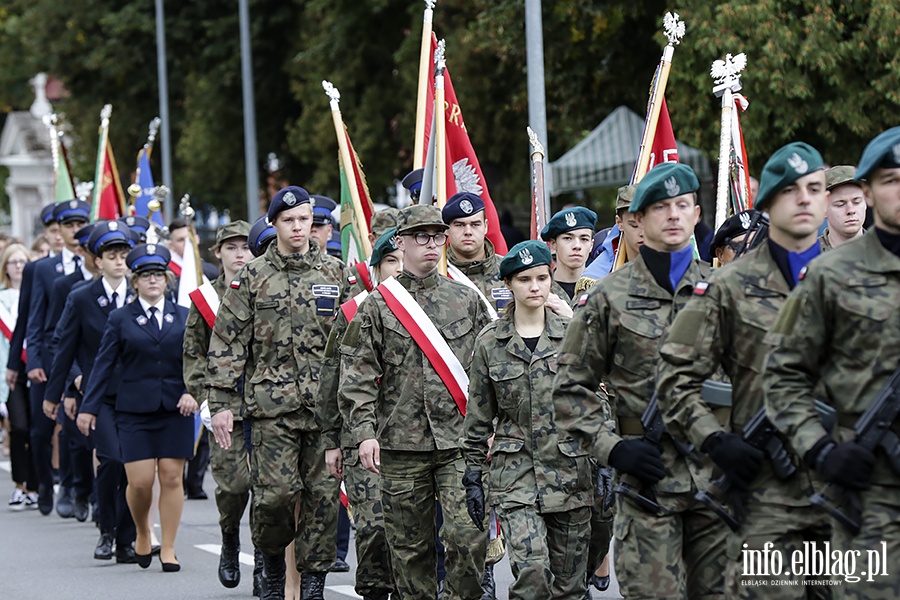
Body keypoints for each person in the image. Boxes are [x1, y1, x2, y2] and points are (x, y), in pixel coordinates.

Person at [657, 142, 831, 596]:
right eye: (792, 191)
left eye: (816, 188)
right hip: (766, 496)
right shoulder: (726, 288)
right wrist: (715, 440)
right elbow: (676, 380)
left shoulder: (861, 280)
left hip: (848, 488)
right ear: (770, 203)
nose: (806, 199)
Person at [552, 162, 725, 599]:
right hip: (648, 484)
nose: (672, 215)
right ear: (639, 221)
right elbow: (571, 389)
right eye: (660, 207)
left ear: (697, 214)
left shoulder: (725, 291)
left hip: (717, 484)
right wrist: (614, 448)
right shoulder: (608, 298)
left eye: (682, 205)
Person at [764, 127, 900, 600]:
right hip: (869, 489)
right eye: (889, 180)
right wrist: (820, 450)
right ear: (868, 191)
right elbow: (782, 376)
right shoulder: (827, 274)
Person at [339, 204, 491, 599]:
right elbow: (356, 377)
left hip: (460, 443)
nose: (430, 245)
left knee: (467, 537)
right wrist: (363, 434)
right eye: (420, 237)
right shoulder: (376, 306)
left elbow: (488, 368)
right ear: (400, 243)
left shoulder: (467, 299)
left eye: (437, 236)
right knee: (410, 550)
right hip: (400, 445)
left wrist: (493, 426)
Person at [207, 186, 351, 600]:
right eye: (289, 220)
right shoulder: (251, 277)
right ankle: (271, 565)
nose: (298, 227)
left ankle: (312, 585)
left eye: (304, 219)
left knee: (323, 502)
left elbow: (355, 342)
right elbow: (228, 341)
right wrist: (221, 404)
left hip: (325, 412)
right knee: (275, 498)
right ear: (274, 224)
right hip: (273, 410)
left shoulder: (335, 273)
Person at [460, 240, 593, 599]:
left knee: (570, 588)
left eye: (541, 278)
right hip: (516, 476)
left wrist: (606, 464)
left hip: (571, 474)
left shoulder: (573, 335)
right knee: (532, 574)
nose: (534, 287)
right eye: (524, 280)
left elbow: (597, 403)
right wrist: (473, 475)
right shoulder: (491, 342)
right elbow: (478, 417)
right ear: (508, 285)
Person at [80, 243, 196, 572]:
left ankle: (169, 547)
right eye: (145, 276)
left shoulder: (184, 316)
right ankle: (143, 530)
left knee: (173, 478)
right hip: (134, 411)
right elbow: (103, 365)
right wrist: (89, 407)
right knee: (141, 481)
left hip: (176, 409)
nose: (153, 281)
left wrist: (192, 391)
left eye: (158, 275)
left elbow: (196, 361)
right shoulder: (120, 319)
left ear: (167, 280)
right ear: (135, 282)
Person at [317, 228, 403, 600]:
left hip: (418, 439)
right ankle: (373, 591)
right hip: (362, 437)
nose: (399, 269)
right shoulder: (354, 312)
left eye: (403, 260)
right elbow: (332, 376)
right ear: (377, 267)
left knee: (412, 529)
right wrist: (332, 440)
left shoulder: (441, 308)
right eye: (391, 262)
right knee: (374, 526)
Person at [50, 221, 137, 561]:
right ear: (97, 261)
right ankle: (106, 528)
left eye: (124, 255)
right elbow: (64, 344)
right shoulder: (82, 297)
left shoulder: (141, 292)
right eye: (111, 256)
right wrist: (69, 384)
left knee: (134, 466)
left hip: (137, 395)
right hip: (97, 395)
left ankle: (128, 540)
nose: (119, 261)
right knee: (112, 459)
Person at [182, 220, 254, 589]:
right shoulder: (205, 299)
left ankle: (267, 564)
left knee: (272, 491)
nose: (240, 254)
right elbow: (193, 354)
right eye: (232, 247)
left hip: (265, 406)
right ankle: (229, 539)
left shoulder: (262, 289)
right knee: (233, 485)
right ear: (219, 253)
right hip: (225, 407)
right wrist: (204, 399)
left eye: (245, 246)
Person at [26, 199, 91, 516]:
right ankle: (51, 486)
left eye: (81, 224)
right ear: (59, 231)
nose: (76, 231)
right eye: (69, 225)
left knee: (77, 427)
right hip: (54, 357)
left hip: (89, 357)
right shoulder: (44, 269)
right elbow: (36, 320)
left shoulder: (97, 262)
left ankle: (77, 486)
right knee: (43, 430)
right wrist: (33, 361)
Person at [0, 243, 38, 509]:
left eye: (22, 261)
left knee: (37, 430)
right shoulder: (1, 298)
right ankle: (19, 484)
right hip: (9, 372)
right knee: (19, 426)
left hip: (35, 368)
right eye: (12, 262)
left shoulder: (37, 294)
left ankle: (35, 486)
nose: (17, 266)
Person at [442, 192, 511, 316]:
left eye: (475, 224)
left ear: (485, 227)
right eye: (459, 225)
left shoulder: (510, 271)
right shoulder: (439, 272)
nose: (468, 232)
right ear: (447, 229)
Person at [576, 186, 642, 294]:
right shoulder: (597, 279)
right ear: (619, 223)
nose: (642, 232)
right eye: (634, 225)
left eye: (648, 223)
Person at [540, 207, 597, 302]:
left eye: (584, 239)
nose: (577, 246)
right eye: (567, 238)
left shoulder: (602, 287)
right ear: (553, 244)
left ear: (591, 245)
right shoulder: (539, 289)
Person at [820, 165, 865, 250]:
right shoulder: (810, 257)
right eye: (840, 204)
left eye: (857, 202)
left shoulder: (888, 250)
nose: (851, 210)